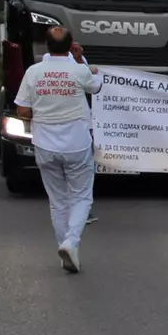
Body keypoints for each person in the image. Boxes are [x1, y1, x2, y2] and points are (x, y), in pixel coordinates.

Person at [15, 26, 102, 273]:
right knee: (82, 196)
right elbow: (95, 86)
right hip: (76, 144)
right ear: (71, 45)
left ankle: (66, 247)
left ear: (46, 46)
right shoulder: (78, 70)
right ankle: (71, 242)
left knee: (57, 201)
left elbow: (22, 110)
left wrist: (43, 114)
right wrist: (80, 58)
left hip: (44, 144)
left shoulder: (33, 72)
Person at [40, 45, 99, 226]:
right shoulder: (46, 63)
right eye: (71, 45)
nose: (75, 48)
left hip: (57, 137)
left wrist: (82, 61)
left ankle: (71, 226)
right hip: (69, 135)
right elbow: (94, 85)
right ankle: (73, 229)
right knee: (73, 179)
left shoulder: (79, 65)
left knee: (75, 181)